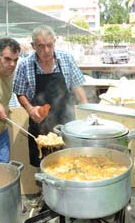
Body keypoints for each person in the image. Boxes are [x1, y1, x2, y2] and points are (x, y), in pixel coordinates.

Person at [13, 25, 88, 167]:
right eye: (41, 46)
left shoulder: (66, 59)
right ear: (33, 46)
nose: (46, 50)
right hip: (39, 126)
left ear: (54, 42)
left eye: (49, 45)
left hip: (66, 123)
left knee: (69, 164)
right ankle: (42, 189)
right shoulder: (25, 65)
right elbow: (20, 92)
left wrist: (86, 112)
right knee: (43, 167)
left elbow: (77, 85)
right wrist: (30, 109)